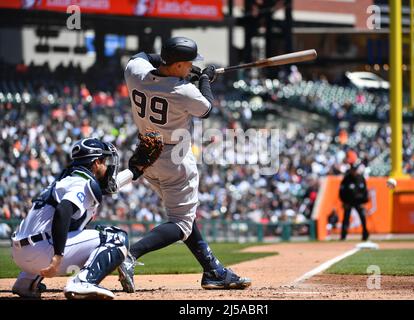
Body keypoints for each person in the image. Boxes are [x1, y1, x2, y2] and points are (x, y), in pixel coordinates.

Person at [120, 36, 251, 292]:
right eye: (188, 62)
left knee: (184, 218)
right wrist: (204, 79)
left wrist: (177, 70)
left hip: (146, 154)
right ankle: (128, 255)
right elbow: (206, 108)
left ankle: (214, 271)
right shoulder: (184, 91)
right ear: (178, 64)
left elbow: (144, 56)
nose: (191, 65)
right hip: (174, 157)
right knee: (181, 223)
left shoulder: (135, 73)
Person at [10, 138, 130, 300]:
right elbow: (63, 210)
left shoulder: (65, 181)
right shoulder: (82, 182)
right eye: (104, 161)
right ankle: (83, 282)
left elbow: (106, 188)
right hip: (42, 251)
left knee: (73, 230)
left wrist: (135, 171)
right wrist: (58, 255)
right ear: (95, 163)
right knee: (117, 238)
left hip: (21, 253)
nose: (107, 166)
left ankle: (26, 282)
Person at [338, 163, 370, 241]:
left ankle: (365, 234)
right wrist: (344, 202)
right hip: (348, 202)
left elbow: (365, 191)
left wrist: (363, 202)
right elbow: (341, 192)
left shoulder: (361, 178)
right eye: (353, 170)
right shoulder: (346, 179)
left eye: (355, 170)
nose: (354, 171)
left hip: (359, 202)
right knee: (346, 219)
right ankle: (343, 236)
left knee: (363, 218)